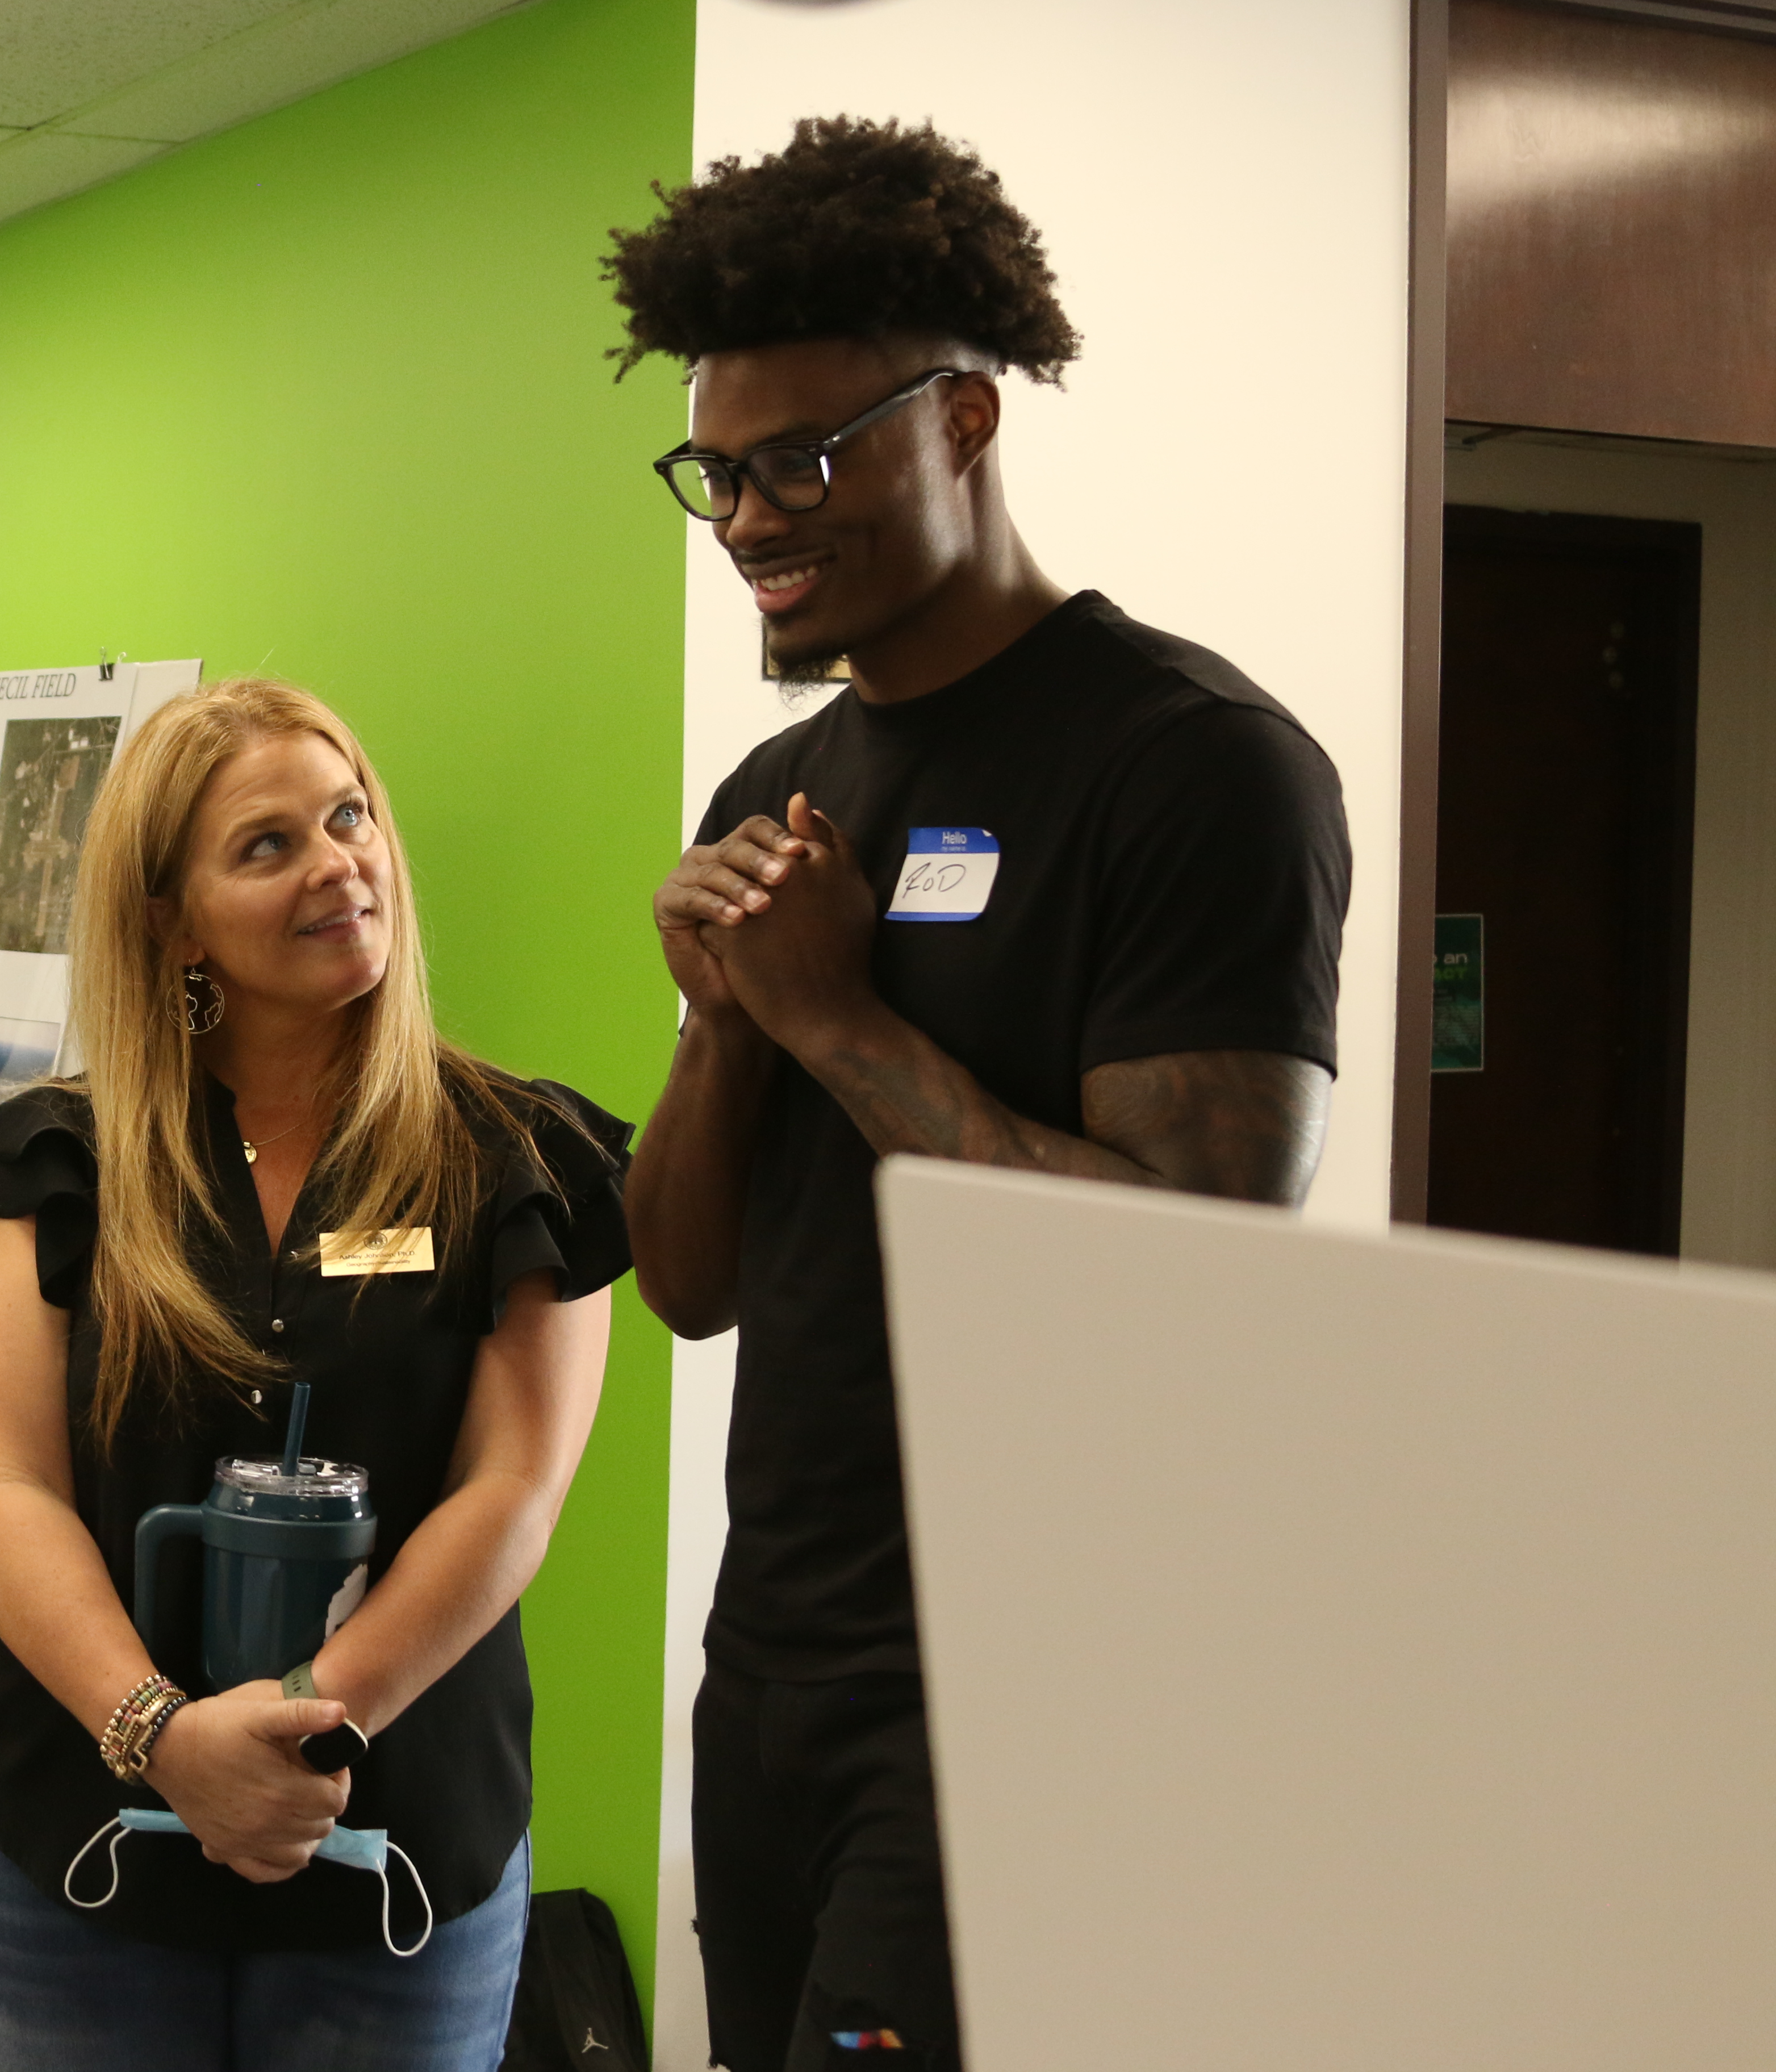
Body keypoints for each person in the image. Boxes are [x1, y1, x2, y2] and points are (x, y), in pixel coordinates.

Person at [604, 118, 1352, 2070]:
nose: (750, 516)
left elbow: (1193, 1271)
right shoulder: (778, 797)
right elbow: (687, 1284)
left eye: (804, 459)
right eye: (719, 470)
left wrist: (837, 1013)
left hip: (1034, 1674)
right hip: (776, 1646)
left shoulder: (1195, 768)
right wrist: (723, 1024)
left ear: (968, 421)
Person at [0, 678, 634, 2071]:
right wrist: (164, 1738)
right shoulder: (49, 1164)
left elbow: (513, 1491)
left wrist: (302, 1734)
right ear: (169, 919)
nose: (339, 865)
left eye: (349, 816)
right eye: (268, 846)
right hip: (83, 1834)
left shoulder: (521, 1158)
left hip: (395, 1843)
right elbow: (3, 1481)